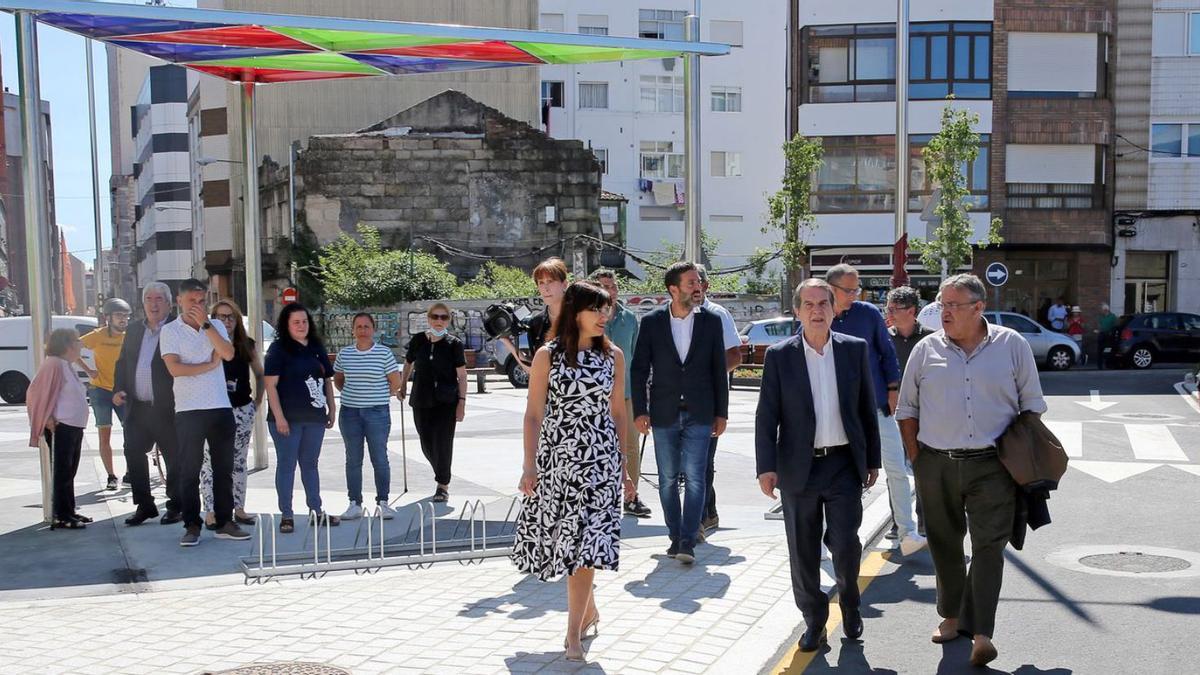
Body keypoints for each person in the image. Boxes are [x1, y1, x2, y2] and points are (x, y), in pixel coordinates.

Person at [897, 274, 1047, 668]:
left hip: (994, 466)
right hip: (936, 463)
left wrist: (1022, 460)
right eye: (942, 304)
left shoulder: (1012, 345)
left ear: (978, 307)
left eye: (953, 305)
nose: (944, 312)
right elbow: (907, 409)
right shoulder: (925, 349)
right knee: (945, 543)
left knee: (989, 546)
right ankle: (951, 616)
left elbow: (1031, 406)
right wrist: (917, 457)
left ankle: (982, 632)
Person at [512, 281, 636, 663]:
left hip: (600, 464)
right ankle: (589, 609)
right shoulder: (548, 356)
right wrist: (529, 464)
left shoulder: (613, 356)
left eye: (607, 309)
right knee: (567, 548)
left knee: (587, 549)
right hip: (558, 464)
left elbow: (617, 413)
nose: (604, 317)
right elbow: (533, 415)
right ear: (575, 312)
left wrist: (625, 469)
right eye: (596, 309)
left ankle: (572, 636)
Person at [756, 279, 881, 652]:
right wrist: (766, 467)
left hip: (843, 463)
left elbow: (865, 409)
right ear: (797, 311)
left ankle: (850, 602)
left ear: (834, 309)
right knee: (803, 550)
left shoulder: (853, 350)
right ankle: (813, 620)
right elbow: (767, 415)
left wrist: (872, 459)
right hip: (798, 467)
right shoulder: (780, 355)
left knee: (845, 544)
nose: (816, 310)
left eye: (823, 303)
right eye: (808, 304)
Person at [631, 261, 729, 565]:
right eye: (690, 283)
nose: (697, 287)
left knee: (697, 479)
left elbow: (718, 370)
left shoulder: (711, 322)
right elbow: (638, 369)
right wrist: (639, 410)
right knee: (668, 479)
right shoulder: (652, 322)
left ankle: (688, 540)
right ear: (673, 290)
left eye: (698, 282)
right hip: (663, 413)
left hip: (701, 412)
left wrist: (721, 413)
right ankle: (675, 536)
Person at [825, 263, 925, 556]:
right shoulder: (819, 314)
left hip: (877, 406)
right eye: (850, 289)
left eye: (858, 288)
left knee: (896, 468)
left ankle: (907, 531)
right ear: (832, 288)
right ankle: (832, 537)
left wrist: (892, 389)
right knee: (840, 475)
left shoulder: (867, 314)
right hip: (835, 411)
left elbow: (887, 353)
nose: (857, 294)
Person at [159, 278, 250, 547]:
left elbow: (228, 353)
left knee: (224, 469)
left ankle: (224, 521)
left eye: (201, 301)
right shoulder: (170, 331)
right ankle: (192, 525)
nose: (197, 306)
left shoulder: (216, 325)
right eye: (192, 302)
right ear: (179, 301)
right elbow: (175, 369)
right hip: (189, 410)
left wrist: (207, 325)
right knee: (190, 470)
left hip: (220, 408)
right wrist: (208, 366)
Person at [264, 303, 339, 533]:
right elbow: (270, 386)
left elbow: (327, 379)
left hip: (314, 417)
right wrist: (279, 418)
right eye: (296, 322)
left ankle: (316, 511)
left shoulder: (316, 347)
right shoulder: (278, 350)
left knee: (310, 465)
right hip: (287, 419)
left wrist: (332, 408)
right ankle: (286, 514)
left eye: (304, 321)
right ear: (286, 325)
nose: (301, 326)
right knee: (287, 466)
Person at [111, 282, 181, 526]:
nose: (153, 303)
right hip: (137, 407)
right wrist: (118, 388)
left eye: (159, 299)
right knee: (132, 451)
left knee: (174, 457)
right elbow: (123, 363)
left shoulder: (177, 327)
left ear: (169, 303)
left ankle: (176, 505)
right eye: (149, 299)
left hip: (167, 407)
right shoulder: (133, 330)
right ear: (143, 304)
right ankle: (145, 504)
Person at [591, 269, 651, 519]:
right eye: (605, 286)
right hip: (596, 395)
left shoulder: (629, 319)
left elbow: (637, 359)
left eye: (613, 286)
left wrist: (644, 395)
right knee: (596, 446)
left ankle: (631, 496)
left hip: (626, 392)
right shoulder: (588, 319)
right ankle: (598, 496)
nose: (611, 291)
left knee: (630, 446)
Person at [200, 299, 263, 529]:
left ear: (237, 320)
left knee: (238, 462)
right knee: (209, 463)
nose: (226, 321)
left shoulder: (247, 344)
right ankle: (210, 511)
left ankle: (239, 508)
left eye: (230, 317)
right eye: (221, 316)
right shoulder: (206, 342)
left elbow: (259, 374)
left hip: (241, 409)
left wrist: (257, 402)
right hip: (214, 410)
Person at [335, 313, 403, 519]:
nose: (363, 330)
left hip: (377, 413)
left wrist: (380, 395)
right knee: (353, 459)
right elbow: (338, 380)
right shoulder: (344, 354)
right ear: (353, 330)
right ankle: (354, 503)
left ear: (373, 329)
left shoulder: (384, 353)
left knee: (379, 458)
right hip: (350, 413)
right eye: (359, 326)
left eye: (366, 326)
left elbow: (395, 382)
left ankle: (383, 501)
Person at [398, 304, 468, 503]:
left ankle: (442, 484)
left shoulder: (454, 343)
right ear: (428, 319)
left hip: (446, 401)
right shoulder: (418, 340)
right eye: (435, 317)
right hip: (421, 398)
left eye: (444, 317)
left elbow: (462, 376)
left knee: (443, 443)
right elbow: (408, 363)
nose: (439, 321)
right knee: (426, 441)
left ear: (449, 320)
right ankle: (440, 471)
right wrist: (403, 385)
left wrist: (462, 403)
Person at [694, 265, 743, 536]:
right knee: (687, 463)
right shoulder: (671, 314)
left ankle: (698, 519)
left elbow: (734, 356)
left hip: (709, 401)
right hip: (676, 403)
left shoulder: (718, 314)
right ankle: (709, 512)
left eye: (697, 281)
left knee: (701, 461)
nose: (693, 287)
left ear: (706, 284)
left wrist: (704, 376)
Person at [27, 329, 91, 530]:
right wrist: (47, 419)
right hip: (62, 426)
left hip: (73, 426)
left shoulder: (66, 365)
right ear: (67, 345)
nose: (80, 344)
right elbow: (35, 392)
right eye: (77, 341)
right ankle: (62, 515)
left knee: (69, 472)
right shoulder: (53, 364)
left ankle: (69, 511)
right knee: (62, 472)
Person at [884, 286, 932, 540]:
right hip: (891, 416)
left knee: (923, 467)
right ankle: (898, 522)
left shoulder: (931, 340)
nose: (888, 313)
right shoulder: (882, 338)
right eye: (888, 307)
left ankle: (924, 520)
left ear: (912, 311)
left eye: (894, 309)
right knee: (895, 471)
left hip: (923, 417)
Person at [77, 297, 131, 490]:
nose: (123, 319)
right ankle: (111, 476)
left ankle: (130, 472)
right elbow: (74, 347)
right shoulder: (97, 335)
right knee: (104, 434)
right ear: (108, 317)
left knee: (131, 433)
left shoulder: (130, 335)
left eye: (126, 315)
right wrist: (88, 370)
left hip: (123, 390)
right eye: (119, 315)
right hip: (100, 390)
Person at [502, 257, 568, 372]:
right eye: (541, 282)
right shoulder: (536, 322)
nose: (545, 288)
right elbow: (531, 369)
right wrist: (505, 340)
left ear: (564, 284)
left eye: (550, 281)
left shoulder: (581, 317)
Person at [1096, 302, 1118, 369]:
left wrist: (1111, 332)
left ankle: (1108, 364)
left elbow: (1115, 326)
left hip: (1109, 337)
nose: (1101, 311)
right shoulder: (1100, 317)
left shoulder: (1113, 316)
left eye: (1102, 310)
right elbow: (1099, 326)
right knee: (1100, 351)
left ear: (1106, 310)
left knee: (1108, 351)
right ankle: (1100, 365)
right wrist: (1099, 330)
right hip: (1102, 336)